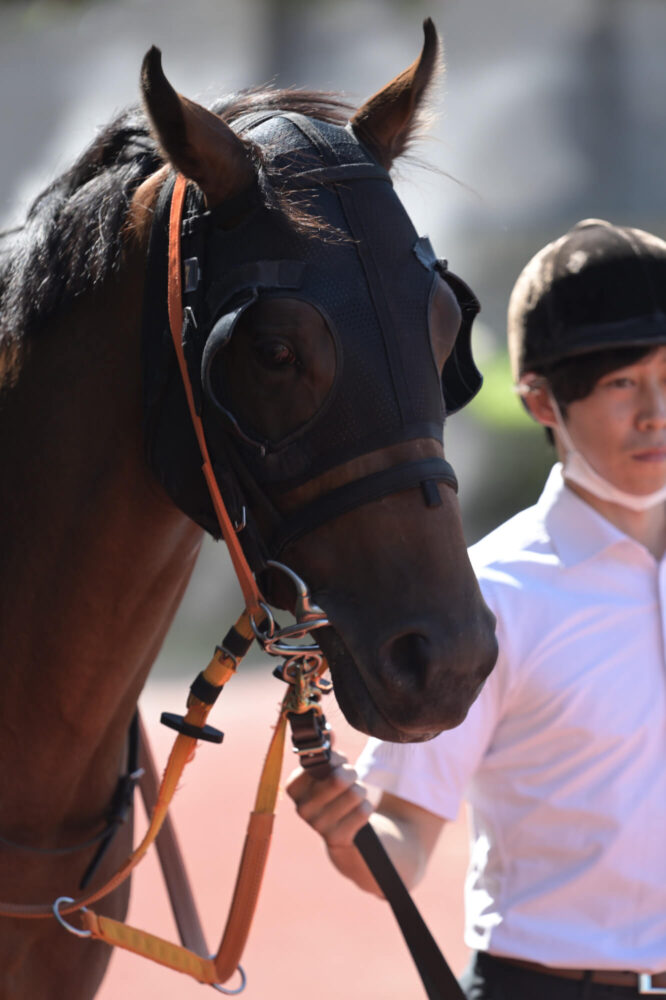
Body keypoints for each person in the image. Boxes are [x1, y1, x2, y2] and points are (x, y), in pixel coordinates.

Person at [287, 218, 666, 999]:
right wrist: (348, 827)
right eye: (623, 382)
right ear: (541, 402)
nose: (656, 411)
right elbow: (404, 837)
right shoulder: (488, 596)